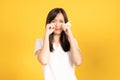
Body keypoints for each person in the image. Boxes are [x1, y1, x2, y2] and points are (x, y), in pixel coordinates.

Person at [34, 8, 82, 80]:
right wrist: (47, 34)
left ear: (65, 23)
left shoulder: (72, 41)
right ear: (49, 23)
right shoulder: (40, 42)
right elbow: (44, 60)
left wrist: (70, 35)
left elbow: (78, 62)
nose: (57, 24)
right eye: (54, 21)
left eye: (61, 21)